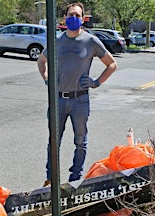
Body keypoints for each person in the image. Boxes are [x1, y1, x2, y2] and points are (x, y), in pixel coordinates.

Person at [37, 2, 117, 186]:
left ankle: (75, 179)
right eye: (71, 14)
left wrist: (96, 82)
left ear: (82, 19)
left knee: (80, 141)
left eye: (77, 15)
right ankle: (51, 179)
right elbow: (41, 61)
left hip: (80, 100)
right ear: (64, 18)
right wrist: (46, 77)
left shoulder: (90, 41)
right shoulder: (56, 41)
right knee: (54, 141)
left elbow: (111, 64)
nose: (74, 18)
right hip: (57, 99)